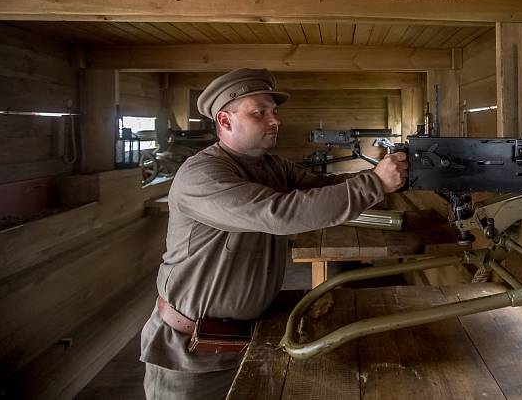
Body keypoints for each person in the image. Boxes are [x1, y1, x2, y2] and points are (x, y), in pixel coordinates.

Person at [139, 68, 407, 399]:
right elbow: (279, 214)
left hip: (249, 339)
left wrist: (387, 175)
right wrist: (375, 183)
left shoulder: (271, 166)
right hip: (192, 355)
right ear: (225, 121)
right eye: (260, 112)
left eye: (274, 111)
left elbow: (324, 187)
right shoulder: (202, 175)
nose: (274, 120)